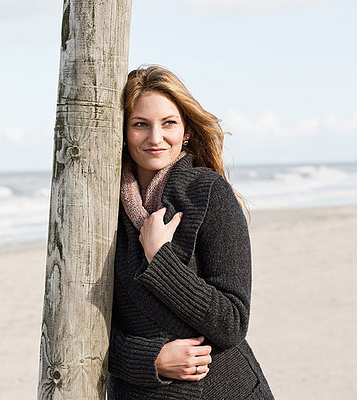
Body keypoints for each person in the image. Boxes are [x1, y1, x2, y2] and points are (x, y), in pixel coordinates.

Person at [107, 65, 274, 399]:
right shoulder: (100, 209)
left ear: (185, 131)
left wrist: (160, 259)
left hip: (223, 390)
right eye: (140, 124)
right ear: (123, 131)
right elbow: (87, 326)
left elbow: (231, 323)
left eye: (168, 123)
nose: (156, 138)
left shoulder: (209, 193)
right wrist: (150, 360)